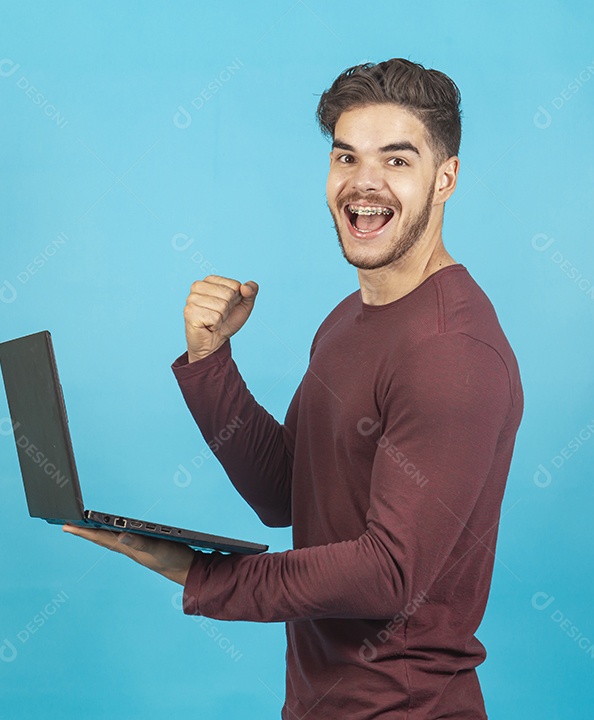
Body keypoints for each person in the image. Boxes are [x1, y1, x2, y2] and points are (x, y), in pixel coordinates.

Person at [64, 57, 524, 719]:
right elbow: (287, 494)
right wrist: (211, 360)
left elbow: (388, 574)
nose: (364, 185)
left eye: (397, 161)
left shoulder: (453, 353)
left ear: (445, 178)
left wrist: (202, 575)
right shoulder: (347, 320)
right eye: (346, 158)